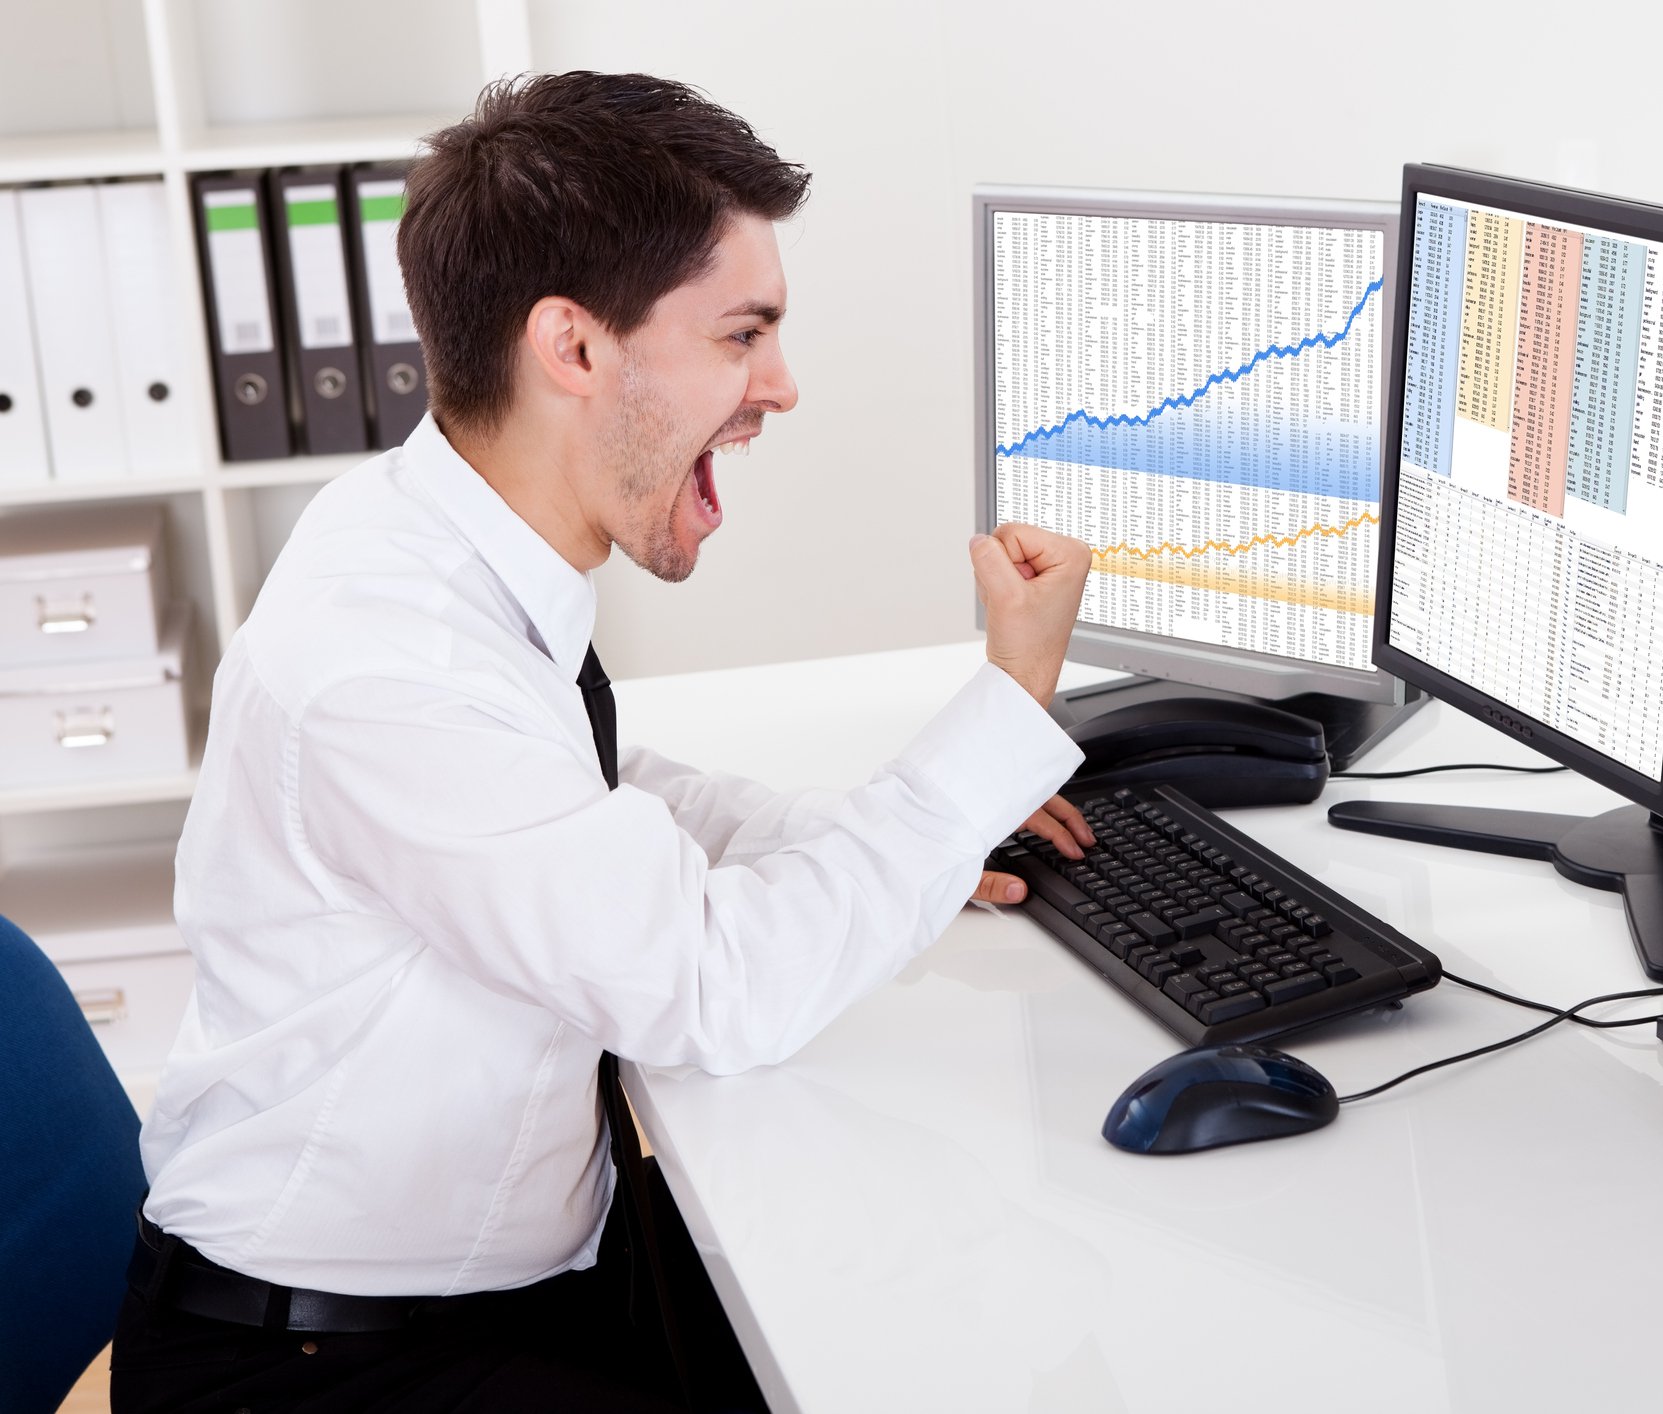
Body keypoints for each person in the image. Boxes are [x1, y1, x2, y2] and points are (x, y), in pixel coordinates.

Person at [111, 71, 1093, 1412]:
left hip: (511, 1279)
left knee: (929, 1290)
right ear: (572, 348)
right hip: (328, 1363)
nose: (781, 386)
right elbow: (714, 991)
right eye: (742, 334)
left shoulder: (438, 534)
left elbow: (593, 787)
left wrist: (898, 833)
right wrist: (1007, 703)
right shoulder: (391, 664)